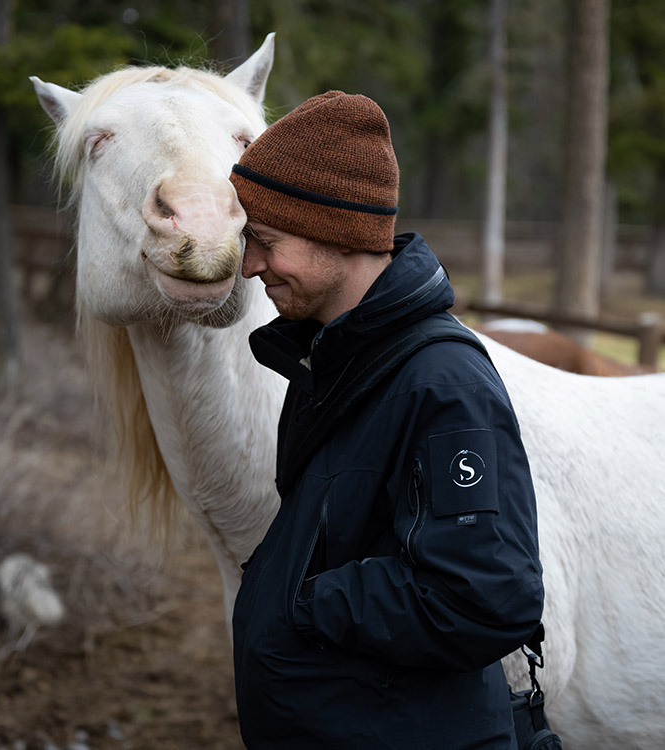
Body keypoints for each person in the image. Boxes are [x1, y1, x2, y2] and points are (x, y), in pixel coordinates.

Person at [228, 91, 544, 750]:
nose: (250, 264)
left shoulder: (442, 385)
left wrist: (304, 600)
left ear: (333, 230)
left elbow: (485, 595)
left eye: (264, 240)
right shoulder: (332, 365)